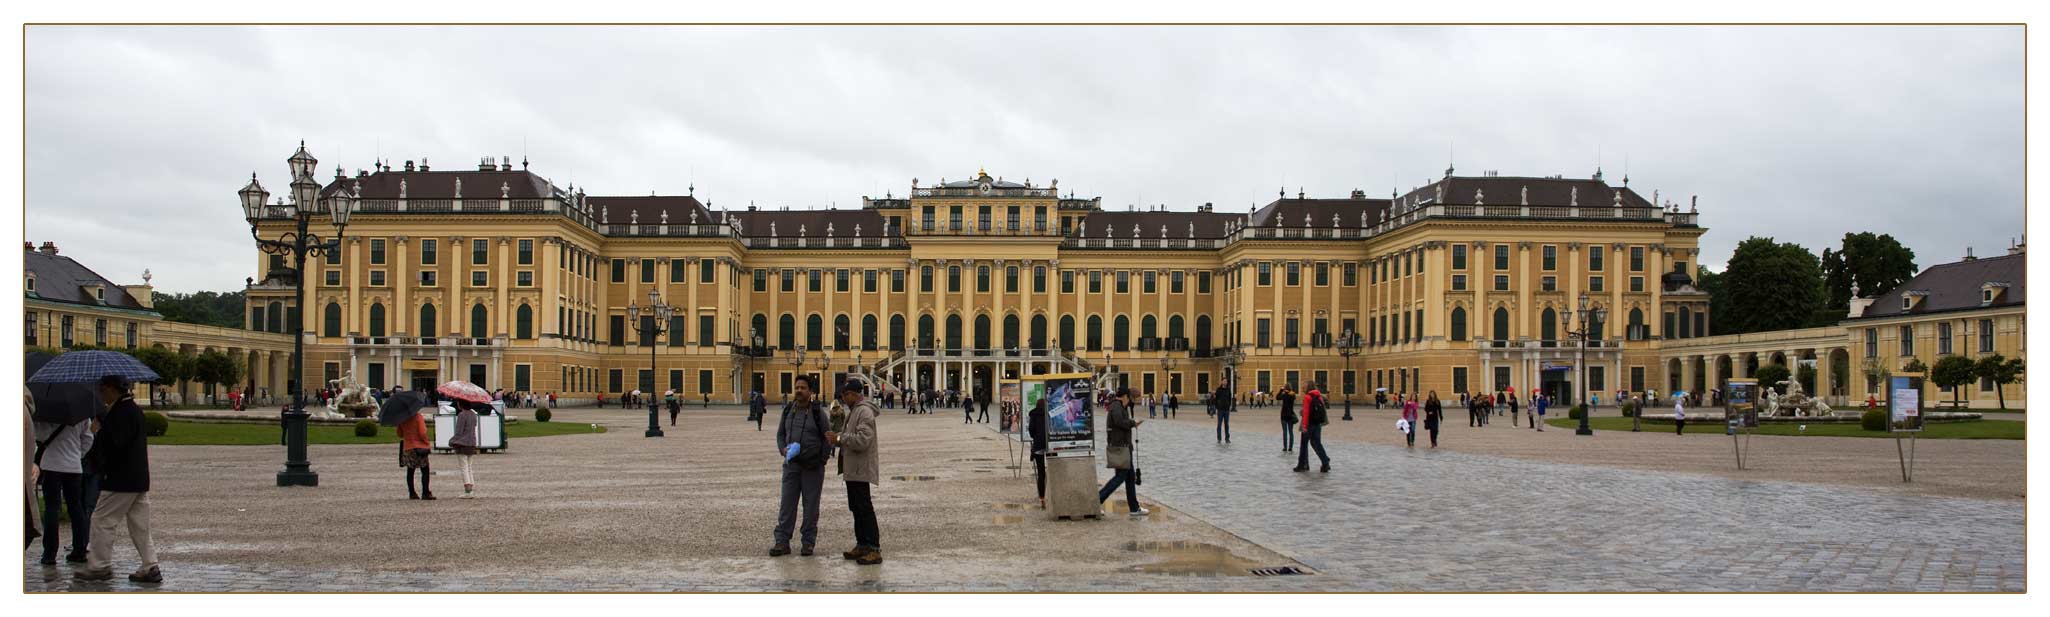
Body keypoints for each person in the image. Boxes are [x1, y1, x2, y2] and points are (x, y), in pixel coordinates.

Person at [79, 376, 158, 583]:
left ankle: (99, 566)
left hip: (121, 478)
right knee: (140, 525)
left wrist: (99, 433)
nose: (100, 394)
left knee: (102, 520)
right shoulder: (131, 409)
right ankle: (150, 566)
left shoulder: (122, 412)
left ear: (113, 390)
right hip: (137, 478)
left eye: (102, 390)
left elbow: (116, 445)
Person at [771, 375, 831, 557]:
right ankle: (782, 541)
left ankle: (808, 542)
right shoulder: (788, 410)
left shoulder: (817, 412)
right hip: (791, 466)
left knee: (811, 506)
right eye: (797, 387)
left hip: (812, 467)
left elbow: (827, 437)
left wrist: (822, 460)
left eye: (803, 387)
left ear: (811, 392)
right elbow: (780, 434)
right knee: (787, 505)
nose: (799, 390)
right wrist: (783, 449)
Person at [33, 410, 94, 565]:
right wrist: (77, 455)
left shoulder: (46, 414)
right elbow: (88, 439)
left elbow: (39, 436)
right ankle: (79, 550)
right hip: (73, 466)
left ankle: (49, 553)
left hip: (51, 464)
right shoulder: (82, 415)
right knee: (76, 508)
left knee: (52, 508)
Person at [834, 381, 881, 565]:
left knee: (864, 509)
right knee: (856, 508)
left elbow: (863, 440)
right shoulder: (855, 411)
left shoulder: (864, 412)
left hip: (860, 469)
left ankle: (874, 549)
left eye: (846, 395)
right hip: (853, 469)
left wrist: (839, 438)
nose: (844, 399)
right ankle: (862, 544)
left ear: (854, 394)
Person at [1097, 388, 1148, 516]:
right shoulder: (1116, 406)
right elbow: (1119, 422)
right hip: (1120, 448)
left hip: (1124, 447)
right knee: (1120, 477)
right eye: (1132, 398)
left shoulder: (1119, 406)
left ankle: (1134, 508)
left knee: (1130, 478)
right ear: (1125, 396)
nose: (1132, 401)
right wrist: (1133, 423)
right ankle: (1097, 500)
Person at [398, 405, 434, 500]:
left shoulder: (402, 419)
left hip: (408, 447)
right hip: (420, 447)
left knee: (410, 470)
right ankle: (425, 492)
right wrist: (426, 442)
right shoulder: (418, 417)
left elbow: (400, 434)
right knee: (425, 469)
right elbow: (422, 432)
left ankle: (412, 492)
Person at [1294, 385, 1331, 472]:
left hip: (1309, 424)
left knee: (1304, 445)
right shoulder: (1319, 396)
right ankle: (1325, 462)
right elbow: (1322, 410)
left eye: (1304, 386)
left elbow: (1306, 413)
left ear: (1308, 387)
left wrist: (1304, 426)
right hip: (1317, 424)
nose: (1302, 387)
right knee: (1317, 443)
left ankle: (1302, 465)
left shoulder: (1307, 397)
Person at [451, 402, 482, 498]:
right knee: (469, 466)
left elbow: (459, 431)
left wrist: (452, 441)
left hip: (462, 443)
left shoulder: (462, 415)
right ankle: (470, 487)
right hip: (471, 442)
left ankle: (467, 489)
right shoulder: (473, 414)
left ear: (461, 405)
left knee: (464, 467)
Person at [1028, 398, 1049, 509]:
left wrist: (1035, 437)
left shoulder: (1034, 415)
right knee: (1052, 470)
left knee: (1041, 473)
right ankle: (1052, 494)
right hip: (1050, 445)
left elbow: (1031, 429)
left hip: (1038, 445)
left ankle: (1042, 497)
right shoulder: (1049, 413)